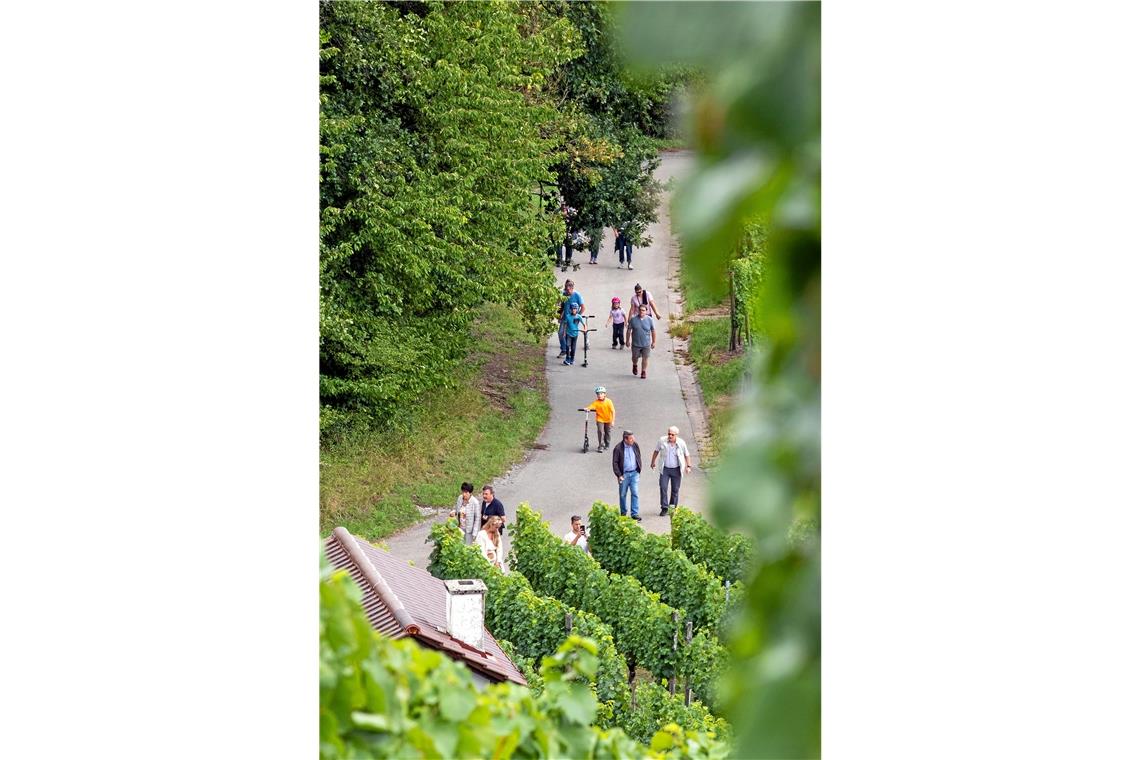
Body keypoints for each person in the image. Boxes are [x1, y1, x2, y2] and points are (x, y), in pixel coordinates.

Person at [650, 426, 694, 516]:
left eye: (672, 435)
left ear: (676, 435)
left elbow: (687, 454)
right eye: (669, 434)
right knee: (663, 487)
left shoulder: (681, 443)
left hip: (676, 469)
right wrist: (653, 462)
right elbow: (656, 451)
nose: (670, 436)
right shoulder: (662, 441)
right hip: (665, 469)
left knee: (675, 490)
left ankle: (672, 508)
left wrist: (688, 466)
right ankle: (664, 507)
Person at [611, 430, 642, 521]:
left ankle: (634, 513)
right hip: (624, 475)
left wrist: (638, 469)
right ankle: (623, 513)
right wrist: (619, 475)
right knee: (623, 494)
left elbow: (638, 456)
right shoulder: (618, 448)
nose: (633, 440)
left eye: (633, 438)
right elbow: (615, 463)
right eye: (631, 438)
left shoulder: (635, 445)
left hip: (634, 473)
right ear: (625, 439)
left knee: (635, 493)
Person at [626, 304, 656, 380]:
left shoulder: (650, 320)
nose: (641, 311)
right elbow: (629, 330)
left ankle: (643, 371)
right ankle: (635, 365)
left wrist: (654, 342)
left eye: (643, 310)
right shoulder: (633, 320)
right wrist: (627, 340)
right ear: (638, 311)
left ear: (646, 311)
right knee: (634, 357)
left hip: (646, 344)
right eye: (640, 310)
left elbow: (653, 331)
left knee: (645, 358)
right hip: (636, 344)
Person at [556, 279, 584, 359]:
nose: (567, 291)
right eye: (566, 289)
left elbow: (583, 307)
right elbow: (561, 306)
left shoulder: (577, 295)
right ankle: (564, 349)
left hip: (573, 319)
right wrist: (558, 315)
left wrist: (578, 316)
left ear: (572, 288)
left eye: (568, 290)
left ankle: (570, 350)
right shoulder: (564, 294)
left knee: (571, 334)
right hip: (565, 318)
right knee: (560, 333)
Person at [584, 385, 616, 452]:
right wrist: (587, 408)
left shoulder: (608, 401)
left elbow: (613, 411)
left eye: (601, 393)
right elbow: (591, 406)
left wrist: (613, 421)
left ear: (605, 394)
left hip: (608, 419)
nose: (599, 395)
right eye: (598, 394)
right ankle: (601, 446)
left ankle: (607, 444)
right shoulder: (596, 402)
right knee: (600, 431)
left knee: (607, 432)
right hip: (600, 419)